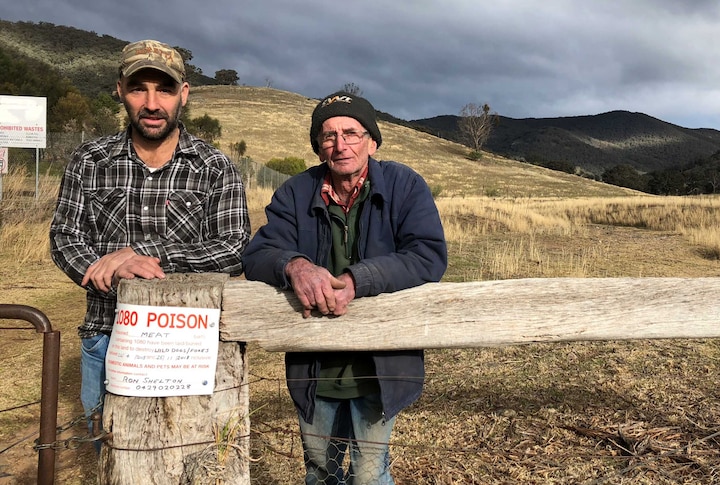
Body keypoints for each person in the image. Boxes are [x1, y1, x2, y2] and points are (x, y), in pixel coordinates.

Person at [49, 39, 251, 450]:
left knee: (193, 451)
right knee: (110, 451)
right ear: (120, 89)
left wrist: (146, 258)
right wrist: (107, 269)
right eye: (140, 88)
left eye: (165, 89)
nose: (153, 103)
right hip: (108, 335)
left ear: (184, 94)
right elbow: (64, 236)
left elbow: (234, 248)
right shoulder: (89, 161)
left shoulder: (215, 168)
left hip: (190, 342)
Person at [242, 91, 447, 484]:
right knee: (320, 472)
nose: (341, 144)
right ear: (319, 148)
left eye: (351, 133)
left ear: (372, 140)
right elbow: (258, 254)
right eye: (329, 135)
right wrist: (295, 266)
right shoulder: (296, 193)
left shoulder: (405, 186)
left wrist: (358, 280)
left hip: (379, 367)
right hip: (315, 370)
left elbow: (428, 255)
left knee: (369, 475)